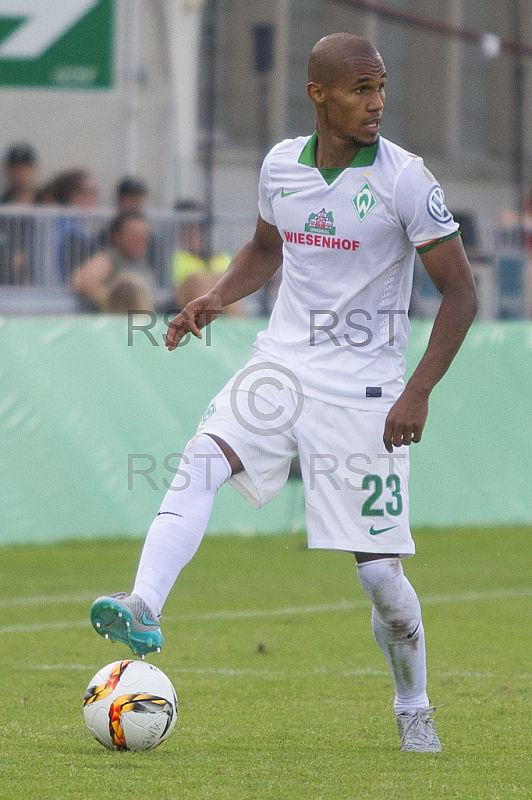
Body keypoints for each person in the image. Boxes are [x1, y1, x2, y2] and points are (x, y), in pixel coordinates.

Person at [91, 34, 478, 752]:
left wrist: (417, 390)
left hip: (365, 391)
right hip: (282, 367)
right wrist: (213, 296)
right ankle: (143, 603)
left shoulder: (405, 180)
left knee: (382, 583)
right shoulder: (279, 165)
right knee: (200, 459)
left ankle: (413, 704)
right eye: (361, 88)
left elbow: (461, 294)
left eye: (382, 86)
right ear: (319, 95)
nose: (378, 101)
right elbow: (268, 248)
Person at [71, 209, 154, 312]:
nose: (140, 239)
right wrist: (116, 302)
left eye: (144, 234)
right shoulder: (109, 258)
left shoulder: (141, 263)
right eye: (133, 234)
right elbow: (81, 281)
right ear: (116, 236)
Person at [172, 199, 241, 315]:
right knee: (200, 281)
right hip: (180, 307)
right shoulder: (171, 256)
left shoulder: (223, 257)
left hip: (222, 312)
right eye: (189, 228)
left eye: (199, 227)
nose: (195, 232)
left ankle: (235, 329)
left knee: (226, 286)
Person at [51, 168, 100, 282]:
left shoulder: (66, 224)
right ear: (74, 196)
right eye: (92, 191)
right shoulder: (70, 231)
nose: (97, 196)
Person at [0, 143, 39, 284]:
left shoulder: (46, 204)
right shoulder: (2, 206)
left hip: (39, 282)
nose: (20, 172)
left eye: (25, 167)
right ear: (7, 170)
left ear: (34, 169)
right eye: (15, 167)